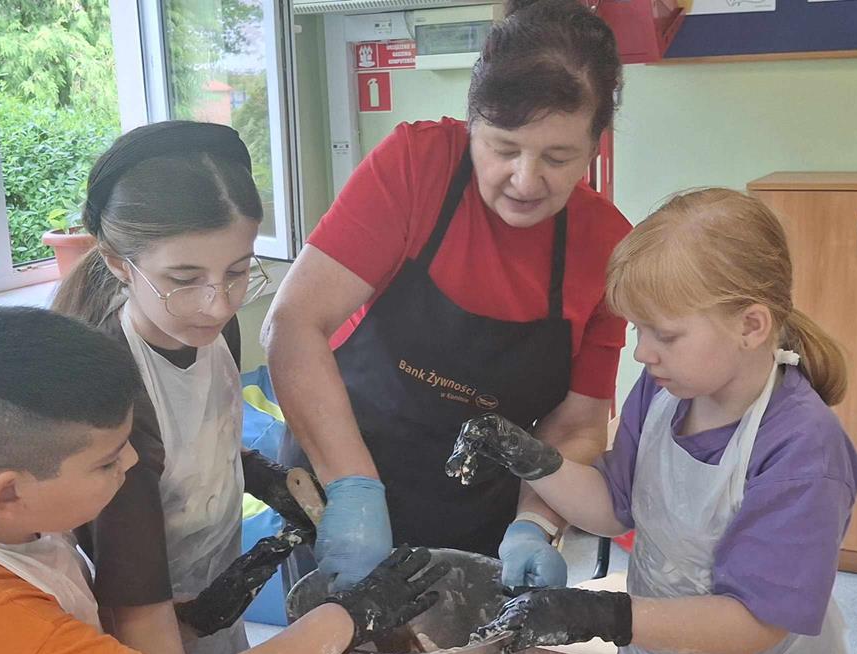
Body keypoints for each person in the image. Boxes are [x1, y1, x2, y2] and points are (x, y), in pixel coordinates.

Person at [0, 306, 446, 654]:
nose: (132, 462)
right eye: (107, 461)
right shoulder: (21, 644)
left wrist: (190, 620)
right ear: (10, 493)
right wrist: (348, 616)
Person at [262, 0, 632, 591]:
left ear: (594, 146)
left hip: (478, 505)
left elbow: (577, 421)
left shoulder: (608, 246)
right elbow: (294, 324)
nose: (525, 179)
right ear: (472, 123)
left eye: (558, 157)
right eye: (504, 148)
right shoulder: (416, 166)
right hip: (339, 474)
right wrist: (352, 489)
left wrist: (535, 523)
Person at [450, 188, 857, 654]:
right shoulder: (665, 393)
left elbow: (755, 622)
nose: (642, 353)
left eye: (664, 335)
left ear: (750, 326)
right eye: (637, 330)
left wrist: (600, 614)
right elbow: (612, 508)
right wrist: (526, 455)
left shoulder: (803, 449)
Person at [52, 121, 325, 654]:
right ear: (119, 263)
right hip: (145, 643)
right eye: (184, 278)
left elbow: (197, 444)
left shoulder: (207, 329)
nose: (219, 303)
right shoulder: (115, 394)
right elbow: (136, 611)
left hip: (212, 613)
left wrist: (264, 477)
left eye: (238, 271)